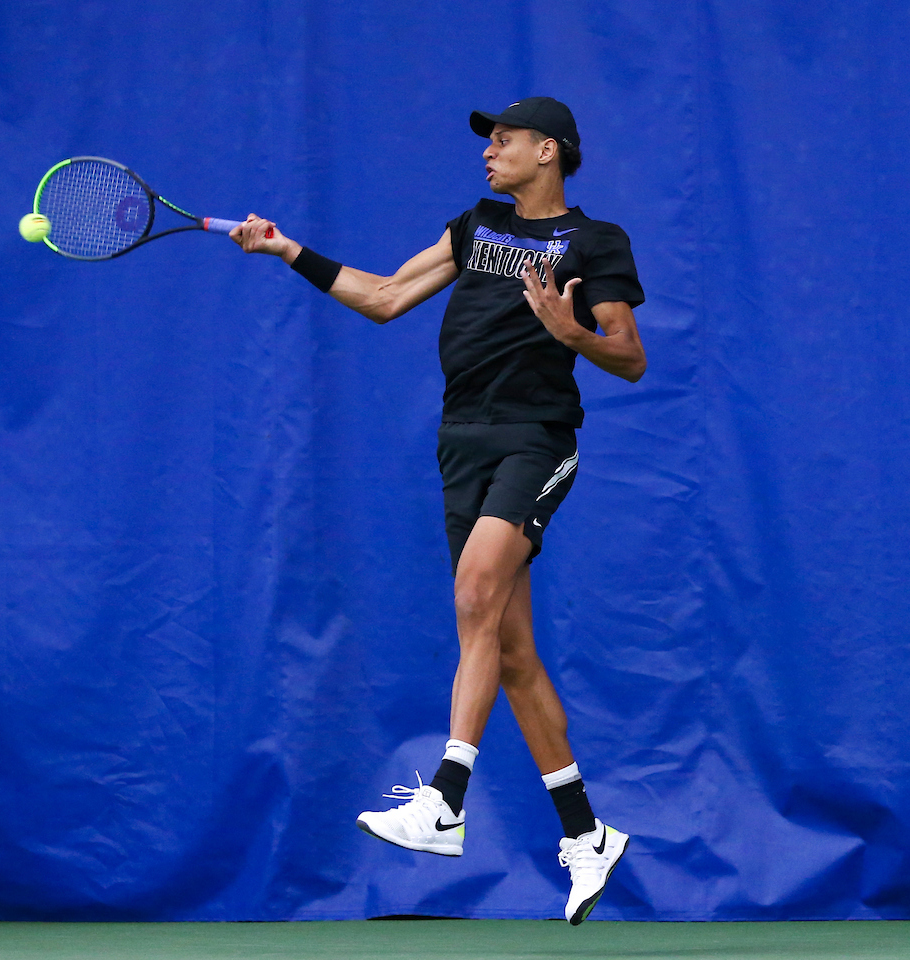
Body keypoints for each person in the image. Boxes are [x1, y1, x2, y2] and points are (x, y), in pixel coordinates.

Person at [231, 97, 646, 925]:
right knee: (511, 651)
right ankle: (586, 834)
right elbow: (385, 296)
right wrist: (287, 250)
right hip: (461, 444)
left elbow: (629, 356)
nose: (489, 152)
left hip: (536, 439)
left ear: (549, 151)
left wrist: (570, 332)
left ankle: (445, 798)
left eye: (505, 141)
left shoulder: (595, 241)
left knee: (474, 591)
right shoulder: (476, 225)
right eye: (488, 142)